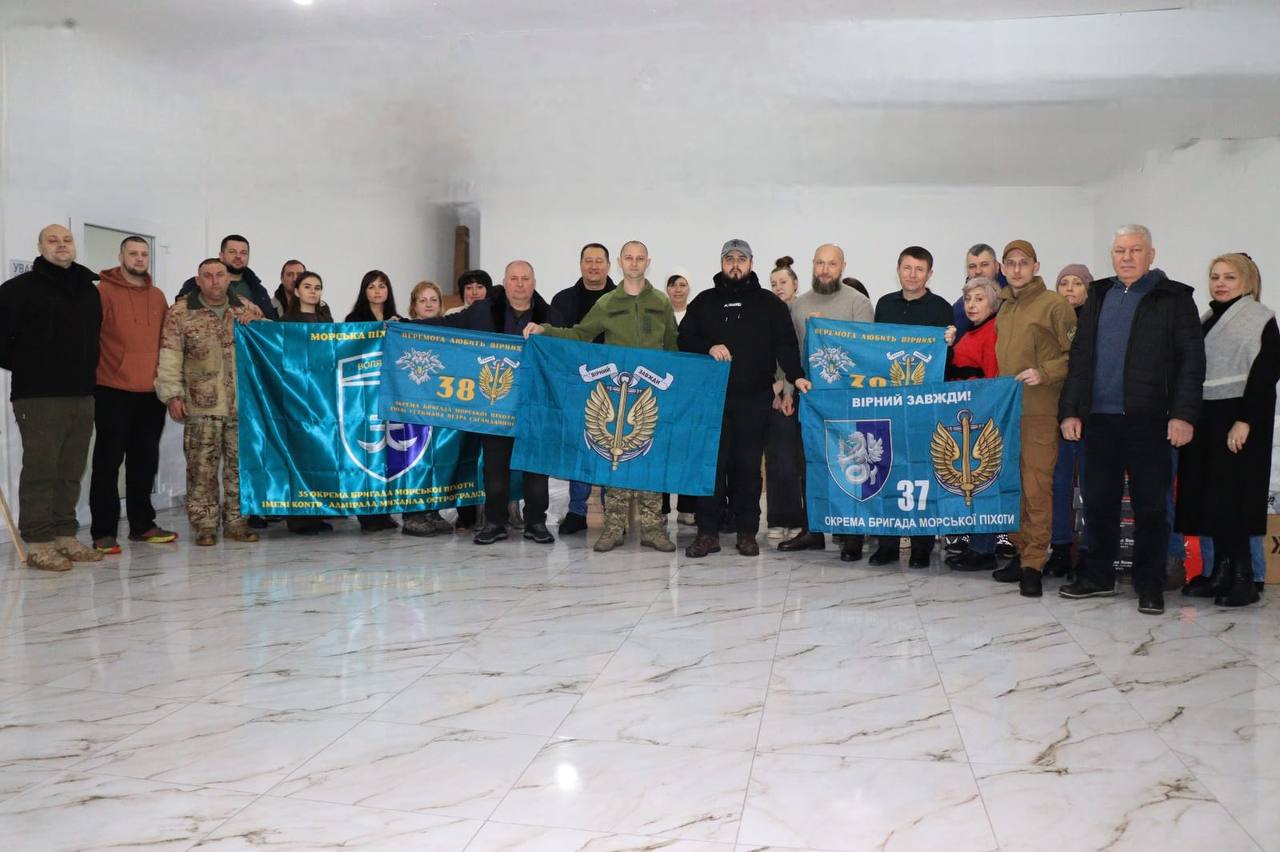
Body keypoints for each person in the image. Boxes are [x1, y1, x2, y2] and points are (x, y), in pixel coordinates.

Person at [1059, 225, 1206, 616]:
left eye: (1135, 250)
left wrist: (1183, 415)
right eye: (1120, 250)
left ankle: (1150, 584)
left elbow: (1192, 363)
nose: (1126, 257)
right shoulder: (1099, 295)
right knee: (1099, 503)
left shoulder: (1174, 298)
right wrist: (1071, 410)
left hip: (1151, 421)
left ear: (1151, 254)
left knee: (1152, 507)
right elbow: (1080, 358)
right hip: (1100, 420)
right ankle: (1098, 576)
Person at [528, 240, 678, 553]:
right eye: (629, 258)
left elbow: (674, 349)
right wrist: (546, 330)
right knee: (618, 458)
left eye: (640, 258)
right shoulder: (608, 302)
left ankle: (653, 528)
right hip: (618, 393)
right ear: (621, 262)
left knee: (650, 459)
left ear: (647, 262)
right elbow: (579, 335)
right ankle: (614, 527)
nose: (634, 263)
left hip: (650, 394)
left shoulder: (661, 302)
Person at [678, 238, 809, 558]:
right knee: (712, 467)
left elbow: (785, 344)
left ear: (751, 263)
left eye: (741, 259)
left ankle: (747, 532)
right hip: (712, 400)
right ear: (722, 263)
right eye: (729, 259)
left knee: (748, 467)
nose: (735, 264)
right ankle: (707, 533)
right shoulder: (703, 302)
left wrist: (796, 375)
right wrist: (707, 347)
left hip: (753, 399)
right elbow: (684, 338)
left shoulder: (769, 304)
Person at [426, 260, 562, 545]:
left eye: (526, 278)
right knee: (494, 469)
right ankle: (495, 522)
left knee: (536, 469)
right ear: (504, 280)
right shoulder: (482, 311)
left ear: (534, 282)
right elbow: (446, 325)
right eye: (514, 278)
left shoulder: (551, 317)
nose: (520, 284)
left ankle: (536, 522)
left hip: (535, 407)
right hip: (494, 403)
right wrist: (404, 325)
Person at [1175, 254, 1278, 607]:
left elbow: (1265, 375)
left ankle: (1245, 579)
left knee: (1234, 499)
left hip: (1239, 418)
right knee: (1211, 498)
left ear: (1247, 281)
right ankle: (1220, 573)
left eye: (1229, 277)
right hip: (1207, 416)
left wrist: (1245, 420)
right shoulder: (1209, 318)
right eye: (1215, 276)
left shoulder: (1259, 318)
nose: (1220, 283)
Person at [0, 225, 103, 571]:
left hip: (83, 393)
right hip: (39, 396)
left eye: (67, 240)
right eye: (53, 240)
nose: (61, 245)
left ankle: (64, 535)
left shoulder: (89, 291)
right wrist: (34, 365)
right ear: (40, 246)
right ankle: (40, 542)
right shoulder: (17, 290)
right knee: (42, 469)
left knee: (71, 470)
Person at [987, 240, 1077, 598]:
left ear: (1036, 266)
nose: (1017, 269)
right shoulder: (1005, 308)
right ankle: (1020, 551)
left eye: (1024, 263)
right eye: (1011, 263)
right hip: (1009, 414)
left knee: (1037, 489)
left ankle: (1034, 563)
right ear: (1003, 268)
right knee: (1014, 488)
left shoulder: (1055, 304)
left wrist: (1046, 371)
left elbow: (1078, 356)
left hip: (1040, 411)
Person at [156, 258, 264, 546]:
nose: (215, 281)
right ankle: (204, 525)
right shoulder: (180, 313)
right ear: (199, 280)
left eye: (220, 275)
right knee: (201, 468)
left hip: (242, 404)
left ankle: (237, 522)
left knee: (238, 468)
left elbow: (270, 342)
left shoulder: (246, 308)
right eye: (208, 276)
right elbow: (169, 356)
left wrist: (259, 323)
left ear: (229, 278)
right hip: (200, 404)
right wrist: (172, 395)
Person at [778, 245, 874, 562]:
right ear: (813, 265)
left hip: (848, 401)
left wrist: (830, 331)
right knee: (810, 465)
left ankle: (852, 534)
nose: (825, 269)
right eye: (820, 263)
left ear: (842, 266)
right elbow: (792, 355)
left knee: (851, 465)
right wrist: (788, 391)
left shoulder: (858, 303)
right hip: (811, 400)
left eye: (831, 264)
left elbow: (865, 352)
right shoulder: (800, 304)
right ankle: (814, 529)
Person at [89, 235, 178, 554]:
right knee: (108, 462)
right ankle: (103, 532)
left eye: (144, 254)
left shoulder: (157, 296)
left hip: (150, 393)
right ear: (121, 256)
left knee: (144, 462)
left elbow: (169, 340)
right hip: (112, 390)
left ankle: (142, 525)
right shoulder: (102, 292)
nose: (140, 259)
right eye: (133, 253)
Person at [870, 246, 953, 567]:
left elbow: (947, 359)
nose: (912, 275)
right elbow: (873, 352)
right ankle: (887, 544)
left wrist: (950, 342)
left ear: (929, 274)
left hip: (923, 406)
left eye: (919, 269)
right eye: (907, 268)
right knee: (886, 472)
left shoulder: (942, 309)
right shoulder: (884, 304)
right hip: (888, 405)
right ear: (898, 270)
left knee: (922, 474)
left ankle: (922, 546)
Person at [550, 243, 616, 535]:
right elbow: (558, 345)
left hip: (615, 384)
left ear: (608, 266)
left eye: (599, 261)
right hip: (576, 384)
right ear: (580, 265)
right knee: (582, 447)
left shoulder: (622, 299)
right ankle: (577, 511)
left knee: (614, 447)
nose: (593, 266)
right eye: (588, 261)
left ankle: (612, 514)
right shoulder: (562, 300)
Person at [941, 276, 1002, 573]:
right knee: (972, 487)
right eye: (968, 299)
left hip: (979, 421)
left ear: (993, 301)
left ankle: (983, 548)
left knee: (981, 484)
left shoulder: (992, 333)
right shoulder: (971, 333)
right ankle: (977, 545)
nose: (972, 305)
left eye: (979, 298)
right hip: (964, 419)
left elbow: (992, 380)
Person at [342, 270, 402, 531]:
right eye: (371, 286)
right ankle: (368, 513)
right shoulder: (353, 320)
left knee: (389, 458)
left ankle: (385, 509)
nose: (377, 291)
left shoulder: (399, 321)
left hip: (393, 398)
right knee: (368, 457)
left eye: (382, 286)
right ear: (364, 291)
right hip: (364, 399)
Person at [279, 272, 336, 535]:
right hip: (296, 397)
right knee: (299, 455)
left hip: (323, 398)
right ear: (297, 291)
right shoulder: (286, 324)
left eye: (318, 287)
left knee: (321, 454)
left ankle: (317, 512)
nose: (313, 292)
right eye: (307, 287)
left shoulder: (328, 322)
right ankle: (299, 517)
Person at [1045, 263, 1093, 578]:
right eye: (1064, 283)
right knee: (1059, 483)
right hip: (1054, 414)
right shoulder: (1050, 322)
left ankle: (1089, 551)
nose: (1070, 289)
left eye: (1077, 283)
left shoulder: (1098, 321)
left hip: (1092, 414)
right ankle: (1060, 547)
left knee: (1092, 484)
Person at [765, 256, 805, 541]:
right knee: (777, 460)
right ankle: (778, 519)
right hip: (773, 396)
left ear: (795, 284)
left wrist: (787, 389)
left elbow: (800, 355)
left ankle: (801, 520)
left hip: (799, 394)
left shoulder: (803, 312)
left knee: (797, 461)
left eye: (783, 282)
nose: (778, 288)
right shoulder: (767, 312)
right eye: (773, 284)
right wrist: (774, 386)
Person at [664, 270, 697, 527]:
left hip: (690, 392)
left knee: (688, 449)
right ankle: (662, 508)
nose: (677, 289)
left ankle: (687, 508)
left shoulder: (697, 315)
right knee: (663, 449)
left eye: (682, 285)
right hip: (664, 390)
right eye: (673, 285)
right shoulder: (661, 315)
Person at [176, 234, 277, 320]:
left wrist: (257, 320)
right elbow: (180, 315)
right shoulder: (196, 284)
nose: (238, 256)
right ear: (221, 256)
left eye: (243, 253)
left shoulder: (258, 289)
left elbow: (271, 325)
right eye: (232, 252)